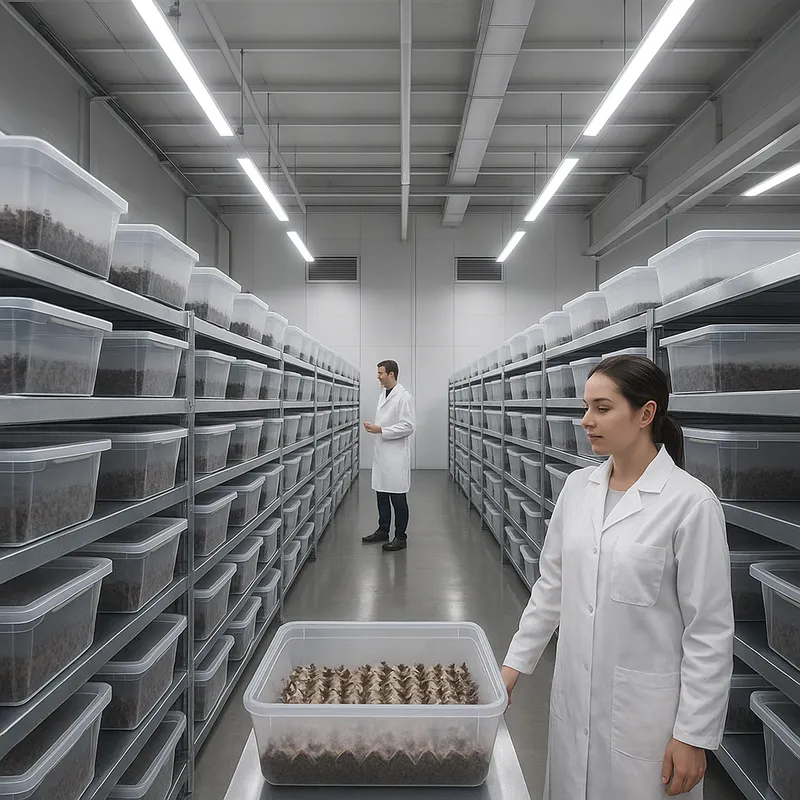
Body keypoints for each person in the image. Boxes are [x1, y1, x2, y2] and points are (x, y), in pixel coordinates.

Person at [502, 356, 734, 800]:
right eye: (585, 407)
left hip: (648, 722)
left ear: (646, 414)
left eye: (602, 408)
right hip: (574, 702)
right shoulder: (577, 489)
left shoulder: (690, 504)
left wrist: (693, 735)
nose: (587, 421)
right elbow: (551, 588)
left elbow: (710, 631)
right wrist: (511, 669)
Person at [362, 360, 416, 552]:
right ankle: (383, 530)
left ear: (391, 374)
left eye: (381, 373)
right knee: (381, 495)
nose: (378, 376)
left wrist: (381, 429)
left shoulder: (404, 397)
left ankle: (400, 537)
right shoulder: (383, 394)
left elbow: (408, 426)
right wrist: (377, 430)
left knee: (398, 499)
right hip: (382, 454)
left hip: (395, 456)